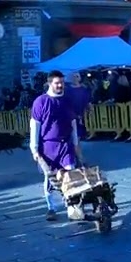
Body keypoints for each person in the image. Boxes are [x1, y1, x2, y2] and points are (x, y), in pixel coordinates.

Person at [31, 71, 82, 222]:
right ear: (49, 83)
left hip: (66, 144)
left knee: (70, 173)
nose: (60, 85)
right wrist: (34, 148)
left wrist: (76, 143)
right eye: (57, 83)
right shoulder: (41, 102)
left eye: (61, 83)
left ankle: (72, 205)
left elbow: (73, 123)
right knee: (51, 178)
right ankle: (51, 207)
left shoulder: (67, 100)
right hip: (48, 146)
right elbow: (35, 125)